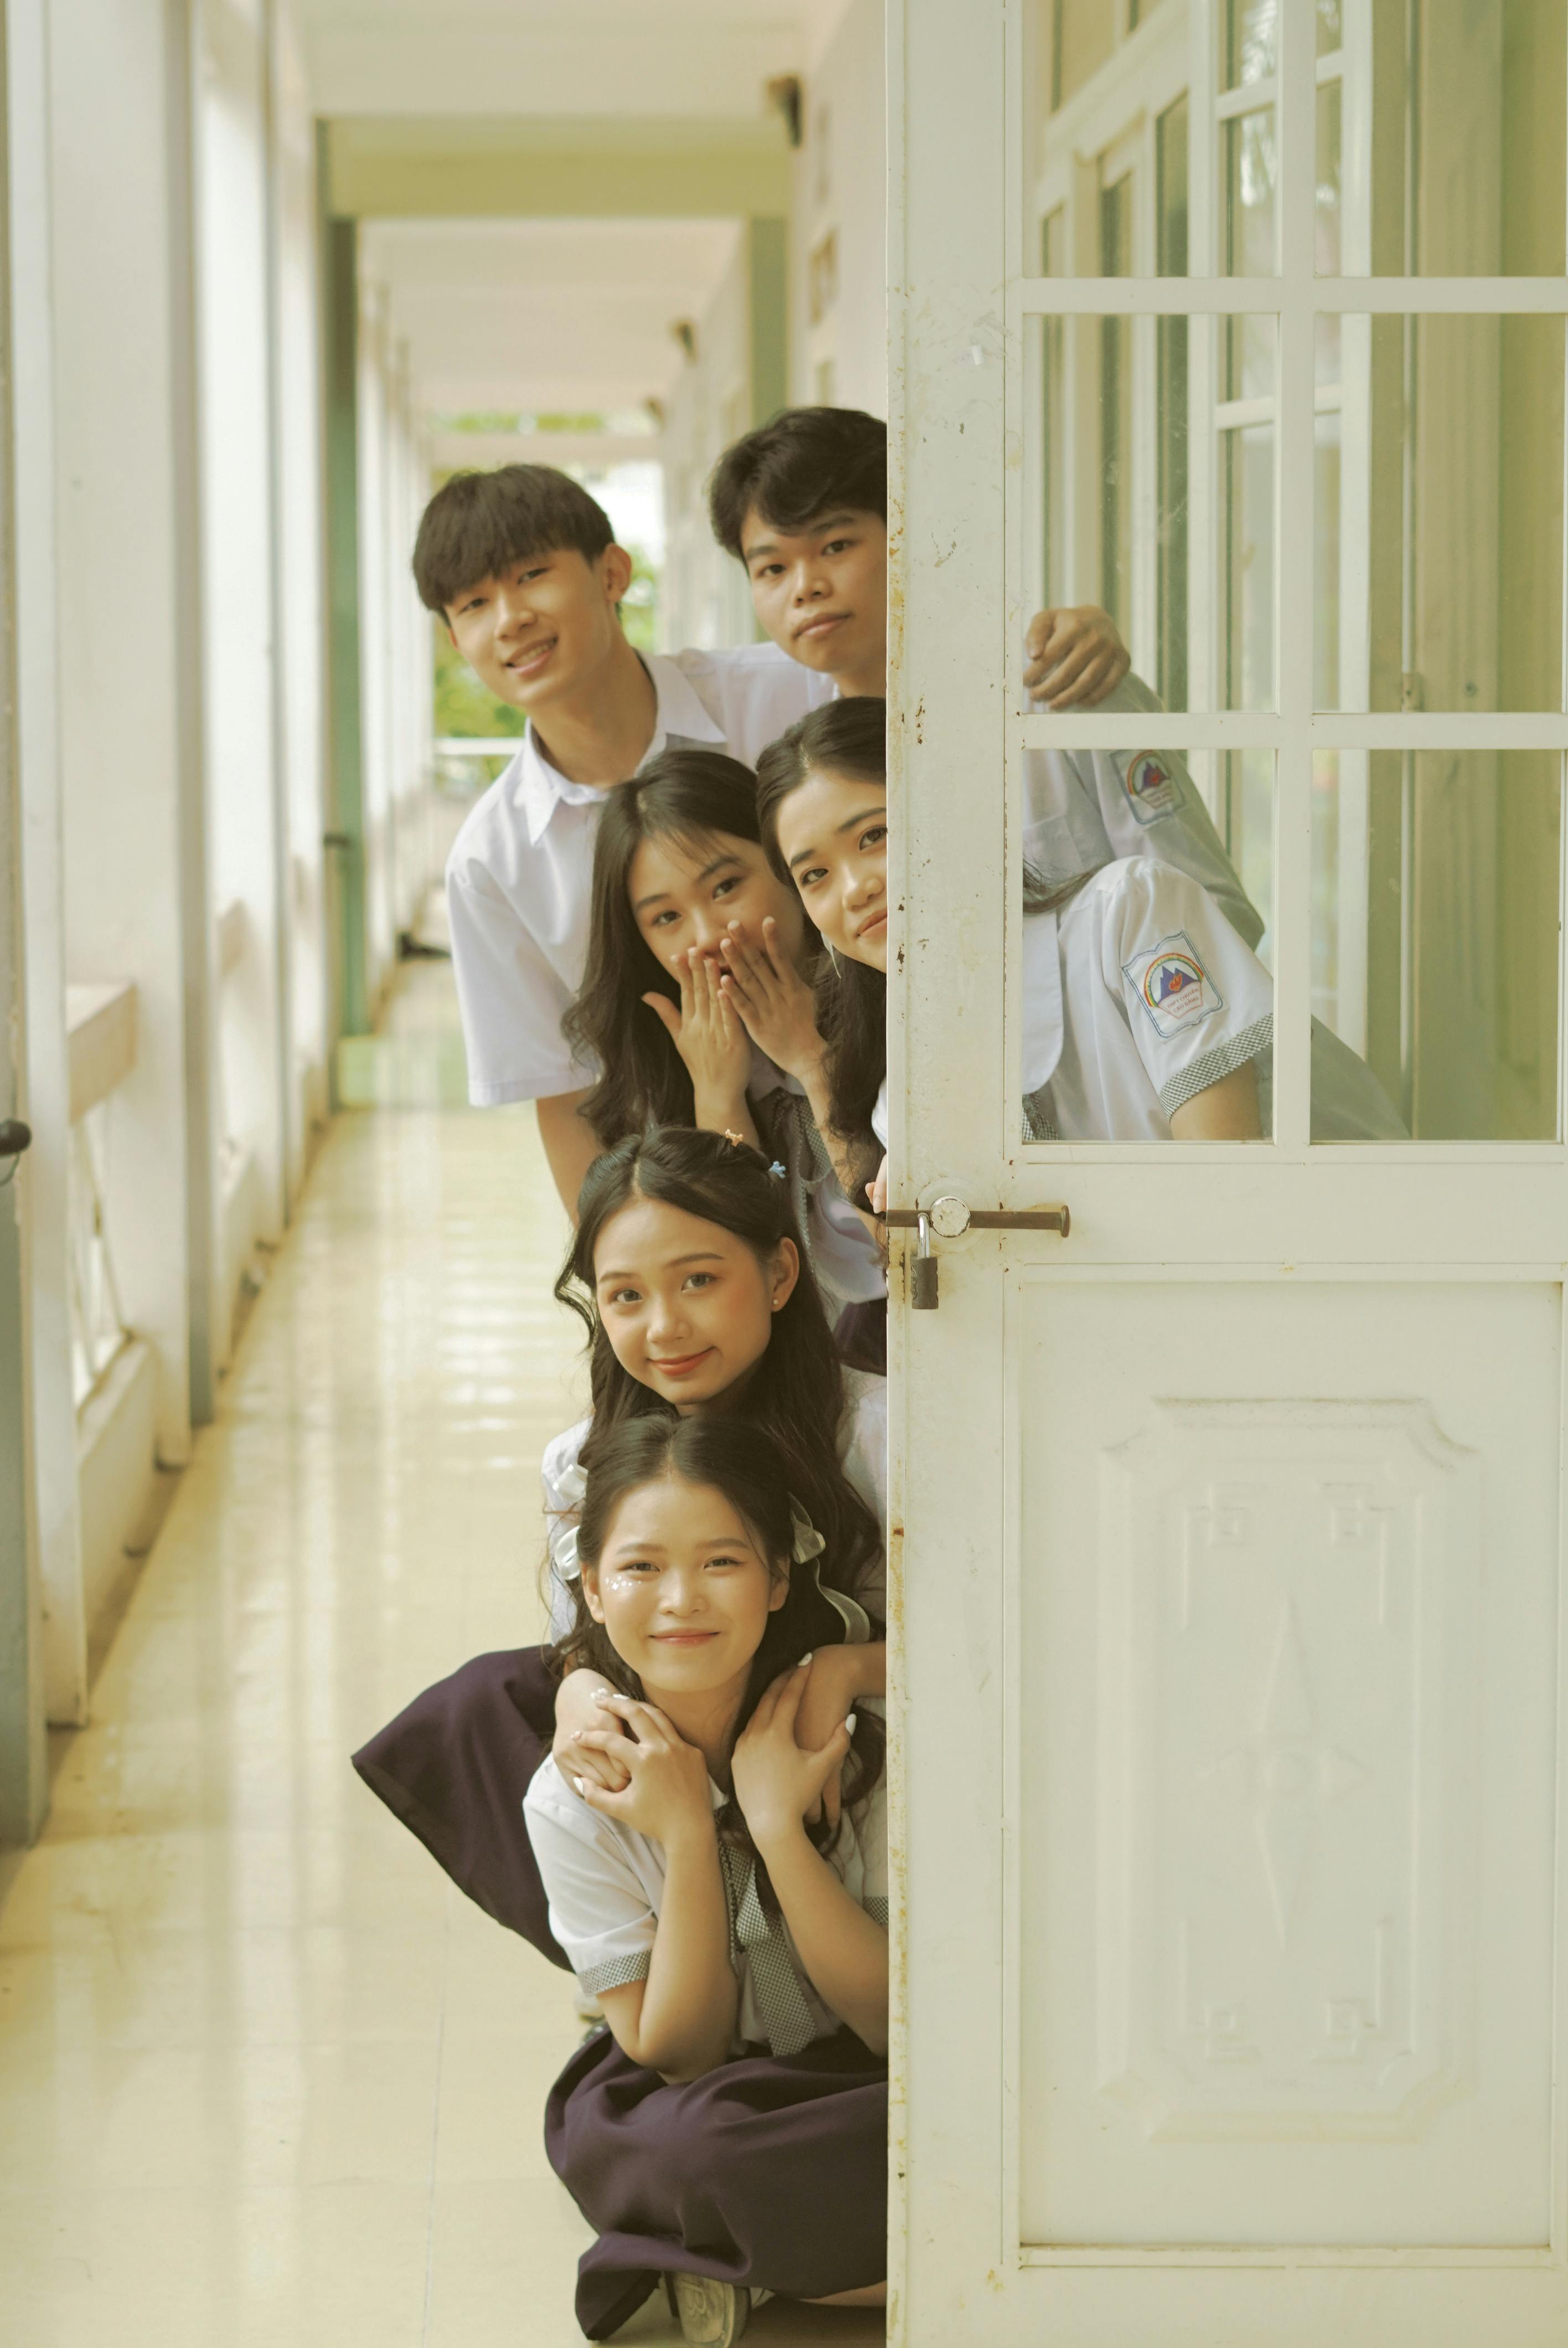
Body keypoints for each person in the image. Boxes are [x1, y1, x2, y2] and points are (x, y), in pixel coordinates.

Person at [419, 455, 1128, 1212]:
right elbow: (564, 1097)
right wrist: (619, 1285)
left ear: (612, 573)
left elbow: (952, 693)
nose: (510, 619)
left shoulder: (795, 686)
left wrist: (1060, 641)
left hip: (937, 1102)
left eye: (531, 575)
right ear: (455, 642)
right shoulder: (489, 866)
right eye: (472, 605)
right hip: (725, 1181)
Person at [351, 1129, 888, 1961]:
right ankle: (635, 1958)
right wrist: (580, 1695)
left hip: (829, 1726)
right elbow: (587, 1632)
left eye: (699, 1281)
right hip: (686, 1708)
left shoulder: (879, 1436)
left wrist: (846, 1669)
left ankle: (821, 1960)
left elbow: (982, 1641)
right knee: (481, 1705)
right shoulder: (579, 1461)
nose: (665, 1327)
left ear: (781, 1274)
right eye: (626, 1296)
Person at [527, 1412, 889, 2342]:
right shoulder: (575, 1794)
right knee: (697, 2151)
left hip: (866, 2072)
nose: (681, 1599)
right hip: (708, 2089)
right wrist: (689, 1832)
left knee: (967, 2118)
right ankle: (875, 2259)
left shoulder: (853, 1733)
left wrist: (777, 1829)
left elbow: (897, 2025)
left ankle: (755, 2270)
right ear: (594, 1593)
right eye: (641, 1568)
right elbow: (678, 2051)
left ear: (776, 1581)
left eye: (721, 1563)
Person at [754, 698, 1395, 1154]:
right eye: (814, 876)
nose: (855, 886)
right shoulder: (909, 1094)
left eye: (875, 835)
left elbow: (1223, 1185)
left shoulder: (1132, 912)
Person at [564, 744, 883, 1332]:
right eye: (666, 918)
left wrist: (810, 1059)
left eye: (726, 887)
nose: (707, 935)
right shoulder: (663, 1063)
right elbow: (735, 1276)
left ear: (786, 863)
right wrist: (718, 1096)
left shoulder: (888, 982)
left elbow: (909, 1233)